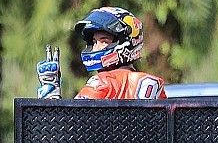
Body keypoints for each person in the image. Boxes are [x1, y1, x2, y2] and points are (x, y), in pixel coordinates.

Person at [36, 6, 166, 100]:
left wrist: (51, 99)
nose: (96, 48)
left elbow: (69, 128)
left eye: (103, 41)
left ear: (126, 42)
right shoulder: (154, 84)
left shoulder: (102, 82)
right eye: (94, 41)